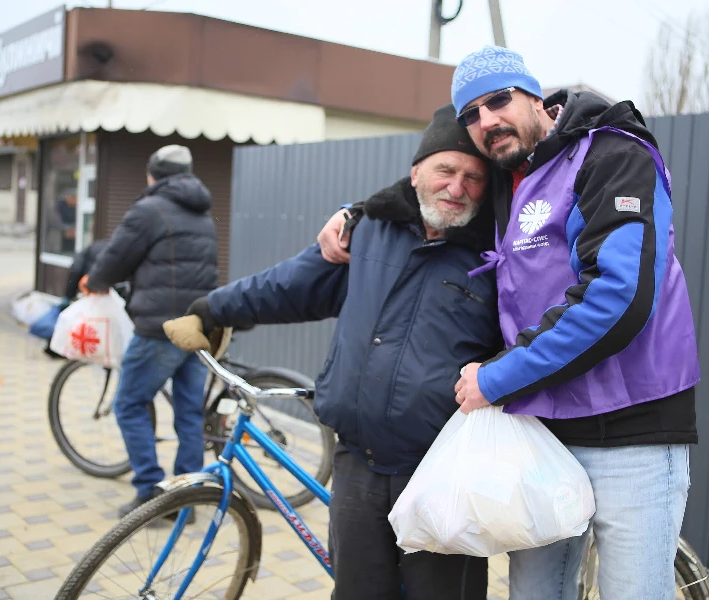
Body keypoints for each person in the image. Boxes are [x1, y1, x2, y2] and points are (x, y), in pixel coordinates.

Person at [318, 46, 700, 600]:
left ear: (534, 96)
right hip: (544, 434)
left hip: (635, 430)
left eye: (498, 100)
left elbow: (617, 296)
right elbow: (432, 192)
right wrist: (354, 213)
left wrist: (496, 378)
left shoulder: (612, 153)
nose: (486, 121)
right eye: (471, 114)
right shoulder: (507, 179)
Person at [163, 104, 502, 600]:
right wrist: (213, 309)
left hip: (442, 473)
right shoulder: (367, 230)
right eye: (445, 170)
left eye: (473, 177)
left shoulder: (498, 256)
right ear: (416, 173)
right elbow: (291, 285)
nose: (457, 187)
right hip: (358, 465)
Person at [80, 144, 218, 518]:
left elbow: (116, 256)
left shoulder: (149, 209)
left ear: (153, 174)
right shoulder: (202, 213)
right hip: (196, 326)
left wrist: (94, 281)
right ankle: (183, 502)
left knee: (128, 404)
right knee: (189, 415)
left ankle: (149, 492)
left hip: (160, 329)